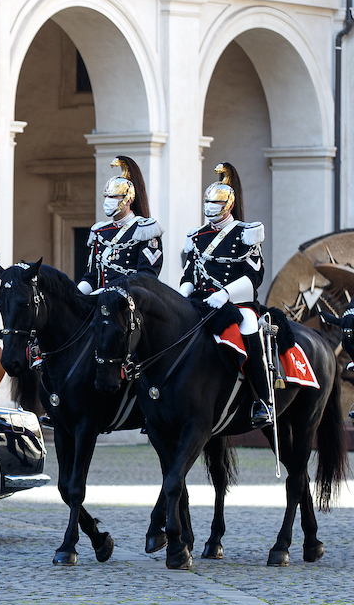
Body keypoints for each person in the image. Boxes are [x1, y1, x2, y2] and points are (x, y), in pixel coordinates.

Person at [179, 162, 271, 428]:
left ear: (229, 204)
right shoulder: (196, 236)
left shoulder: (246, 233)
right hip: (201, 302)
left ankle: (262, 400)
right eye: (208, 201)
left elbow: (254, 276)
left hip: (236, 303)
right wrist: (182, 294)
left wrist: (226, 294)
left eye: (216, 202)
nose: (210, 206)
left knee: (249, 326)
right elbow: (188, 275)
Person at [78, 156, 163, 294]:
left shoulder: (145, 230)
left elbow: (147, 277)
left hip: (130, 300)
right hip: (100, 299)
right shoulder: (100, 231)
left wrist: (109, 292)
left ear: (128, 199)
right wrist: (75, 294)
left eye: (113, 197)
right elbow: (91, 277)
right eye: (106, 196)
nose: (108, 201)